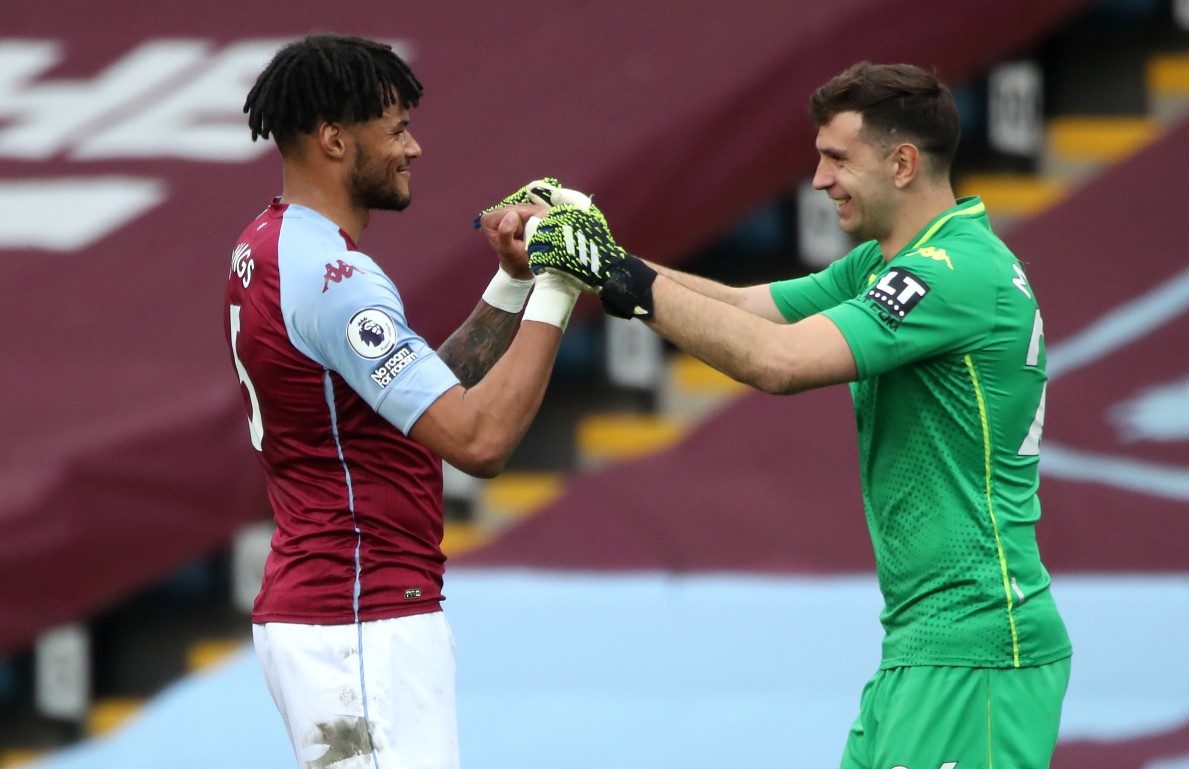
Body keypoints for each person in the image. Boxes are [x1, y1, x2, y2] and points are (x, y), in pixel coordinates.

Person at [527, 61, 1072, 768]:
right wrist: (605, 257)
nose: (818, 180)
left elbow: (777, 361)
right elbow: (747, 306)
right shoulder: (894, 261)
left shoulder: (947, 272)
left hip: (977, 647)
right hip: (924, 645)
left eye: (836, 158)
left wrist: (615, 276)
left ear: (903, 163)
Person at [225, 34, 584, 769]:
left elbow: (412, 405)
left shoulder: (268, 244)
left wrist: (515, 284)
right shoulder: (336, 276)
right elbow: (479, 442)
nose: (414, 149)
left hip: (331, 610)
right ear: (334, 139)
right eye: (396, 131)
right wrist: (564, 281)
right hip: (359, 616)